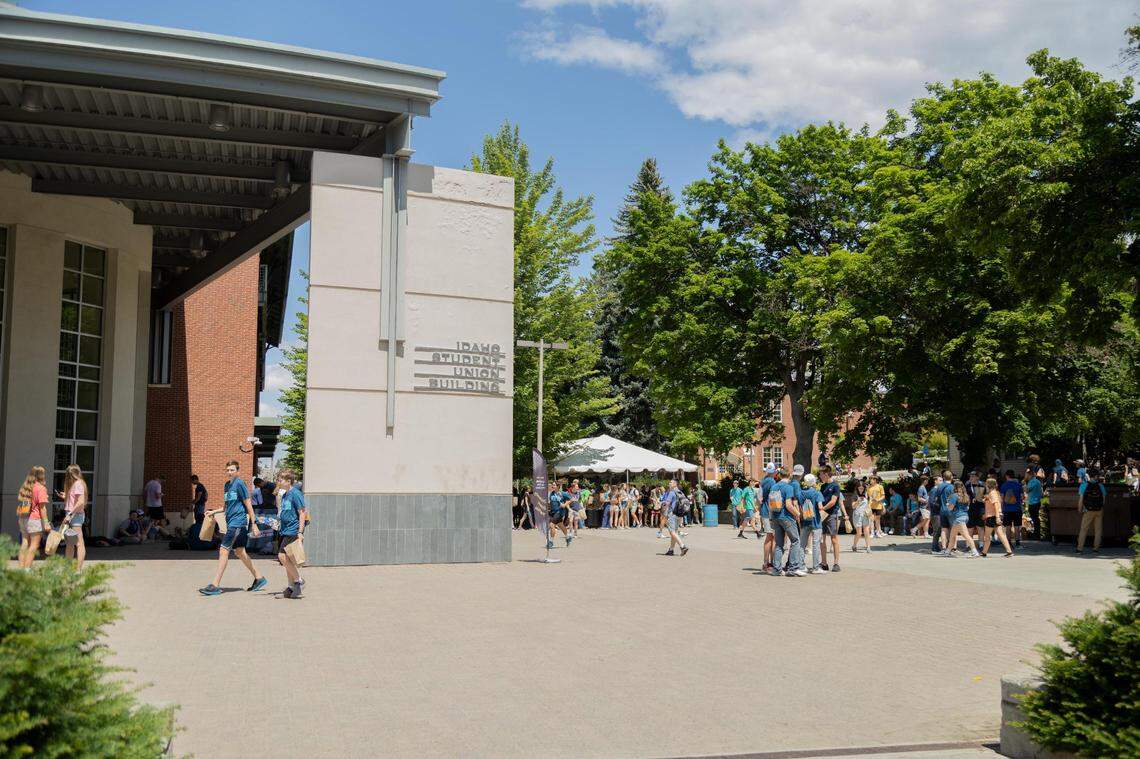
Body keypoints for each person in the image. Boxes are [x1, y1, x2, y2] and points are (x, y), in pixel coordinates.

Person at [198, 460, 266, 596]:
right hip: (232, 522)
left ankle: (215, 585)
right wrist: (213, 512)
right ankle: (259, 578)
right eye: (228, 470)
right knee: (240, 552)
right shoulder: (227, 486)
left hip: (238, 523)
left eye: (232, 470)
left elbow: (248, 505)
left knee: (223, 550)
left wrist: (254, 524)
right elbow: (226, 506)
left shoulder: (240, 484)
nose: (229, 472)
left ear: (237, 471)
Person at [276, 469, 308, 598]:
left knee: (282, 557)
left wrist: (300, 531)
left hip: (293, 530)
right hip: (285, 529)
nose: (278, 481)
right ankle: (291, 587)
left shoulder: (295, 493)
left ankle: (299, 581)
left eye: (281, 479)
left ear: (289, 481)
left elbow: (302, 512)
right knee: (287, 559)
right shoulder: (285, 495)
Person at [769, 468, 804, 576]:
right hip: (786, 517)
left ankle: (777, 569)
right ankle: (793, 568)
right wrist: (797, 514)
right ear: (789, 476)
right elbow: (788, 505)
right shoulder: (788, 487)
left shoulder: (774, 486)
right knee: (795, 541)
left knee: (779, 544)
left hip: (775, 516)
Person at [17, 466, 49, 568]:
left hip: (23, 518)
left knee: (25, 542)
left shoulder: (26, 487)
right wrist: (46, 522)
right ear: (42, 476)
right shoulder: (41, 488)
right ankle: (27, 569)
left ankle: (22, 568)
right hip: (34, 519)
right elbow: (42, 508)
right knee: (34, 545)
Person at [939, 480, 979, 557]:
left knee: (966, 535)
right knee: (952, 535)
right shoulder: (966, 496)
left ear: (955, 487)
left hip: (958, 518)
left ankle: (975, 552)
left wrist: (948, 505)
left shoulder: (954, 495)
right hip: (965, 516)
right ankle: (947, 551)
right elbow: (967, 507)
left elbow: (951, 508)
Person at [818, 466, 845, 572]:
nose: (819, 476)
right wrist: (820, 507)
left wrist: (822, 509)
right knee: (822, 539)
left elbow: (833, 501)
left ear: (826, 473)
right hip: (822, 515)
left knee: (834, 538)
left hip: (832, 514)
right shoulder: (822, 486)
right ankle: (824, 563)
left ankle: (836, 563)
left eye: (820, 474)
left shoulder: (835, 486)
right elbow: (820, 499)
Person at [1075, 468, 1107, 553]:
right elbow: (1103, 500)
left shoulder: (1084, 485)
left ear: (1089, 475)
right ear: (1097, 476)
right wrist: (1100, 508)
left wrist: (1079, 509)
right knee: (1098, 530)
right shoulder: (1101, 486)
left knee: (1084, 529)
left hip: (1087, 510)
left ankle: (1080, 548)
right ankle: (1096, 548)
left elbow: (1081, 499)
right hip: (1099, 510)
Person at [981, 477, 1014, 557]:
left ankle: (984, 552)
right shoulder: (995, 493)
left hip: (992, 517)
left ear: (988, 484)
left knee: (987, 536)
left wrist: (997, 517)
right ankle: (1009, 552)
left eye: (986, 483)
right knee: (1001, 535)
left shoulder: (992, 493)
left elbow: (995, 505)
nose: (985, 485)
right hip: (995, 515)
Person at [800, 474, 825, 574]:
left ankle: (801, 565)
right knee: (816, 545)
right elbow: (820, 507)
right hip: (816, 522)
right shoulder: (817, 493)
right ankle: (815, 567)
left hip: (806, 521)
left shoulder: (801, 493)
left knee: (802, 544)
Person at [660, 480, 688, 557]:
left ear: (675, 484)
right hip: (679, 514)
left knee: (672, 532)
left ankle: (682, 546)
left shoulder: (671, 492)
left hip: (672, 514)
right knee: (674, 532)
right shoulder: (680, 492)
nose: (669, 483)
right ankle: (671, 550)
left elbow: (667, 504)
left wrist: (662, 504)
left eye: (671, 482)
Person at [998, 469, 1024, 548]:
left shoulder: (1004, 485)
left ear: (1007, 476)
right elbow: (1022, 497)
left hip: (1007, 509)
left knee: (1008, 526)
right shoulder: (1019, 485)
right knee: (1017, 526)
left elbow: (1001, 499)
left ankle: (1008, 543)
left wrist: (1001, 509)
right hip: (1017, 508)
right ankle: (1017, 543)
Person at [759, 463, 777, 572]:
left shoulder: (763, 480)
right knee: (772, 537)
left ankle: (767, 562)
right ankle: (769, 563)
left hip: (764, 510)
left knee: (769, 537)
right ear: (774, 472)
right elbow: (773, 498)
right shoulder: (771, 482)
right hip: (769, 511)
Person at [850, 480, 872, 553]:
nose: (861, 490)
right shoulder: (855, 495)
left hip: (865, 514)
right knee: (859, 533)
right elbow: (853, 506)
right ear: (857, 488)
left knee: (867, 531)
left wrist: (869, 511)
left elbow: (869, 503)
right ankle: (854, 545)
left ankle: (868, 547)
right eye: (859, 488)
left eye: (862, 488)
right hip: (857, 515)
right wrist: (858, 501)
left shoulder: (866, 494)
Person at [964, 471, 986, 544]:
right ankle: (969, 545)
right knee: (970, 527)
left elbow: (987, 495)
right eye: (970, 476)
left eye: (973, 476)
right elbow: (964, 495)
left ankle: (981, 544)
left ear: (977, 477)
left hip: (981, 508)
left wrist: (983, 499)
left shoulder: (982, 485)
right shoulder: (967, 485)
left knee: (980, 527)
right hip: (970, 509)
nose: (971, 478)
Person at [1025, 467, 1044, 540]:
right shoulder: (1038, 482)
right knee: (1036, 518)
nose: (1027, 476)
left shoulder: (1032, 482)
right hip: (1037, 502)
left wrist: (1025, 483)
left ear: (1030, 475)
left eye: (1028, 475)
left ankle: (1036, 535)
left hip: (1033, 502)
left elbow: (1026, 490)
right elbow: (1041, 493)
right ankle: (1037, 534)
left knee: (1035, 519)